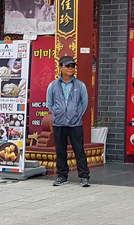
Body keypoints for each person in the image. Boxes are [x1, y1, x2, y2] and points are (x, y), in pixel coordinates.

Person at [46, 55, 90, 187]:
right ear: (60, 68)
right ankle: (62, 176)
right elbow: (50, 103)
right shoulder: (53, 85)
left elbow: (84, 103)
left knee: (79, 150)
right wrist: (59, 114)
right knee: (60, 150)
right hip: (58, 123)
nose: (71, 69)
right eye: (67, 66)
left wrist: (75, 114)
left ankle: (84, 177)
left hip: (75, 124)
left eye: (73, 66)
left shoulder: (80, 85)